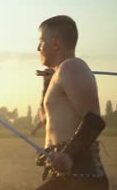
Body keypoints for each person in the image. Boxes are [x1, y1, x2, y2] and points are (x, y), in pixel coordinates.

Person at [35, 15, 108, 190]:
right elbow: (47, 119)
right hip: (67, 176)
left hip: (80, 178)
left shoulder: (72, 67)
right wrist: (47, 84)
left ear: (55, 44)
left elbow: (94, 121)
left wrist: (67, 154)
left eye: (41, 41)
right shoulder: (60, 74)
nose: (38, 48)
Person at [30, 68, 54, 137]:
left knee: (46, 118)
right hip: (45, 101)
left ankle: (36, 129)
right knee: (46, 119)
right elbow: (38, 73)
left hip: (48, 100)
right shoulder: (47, 82)